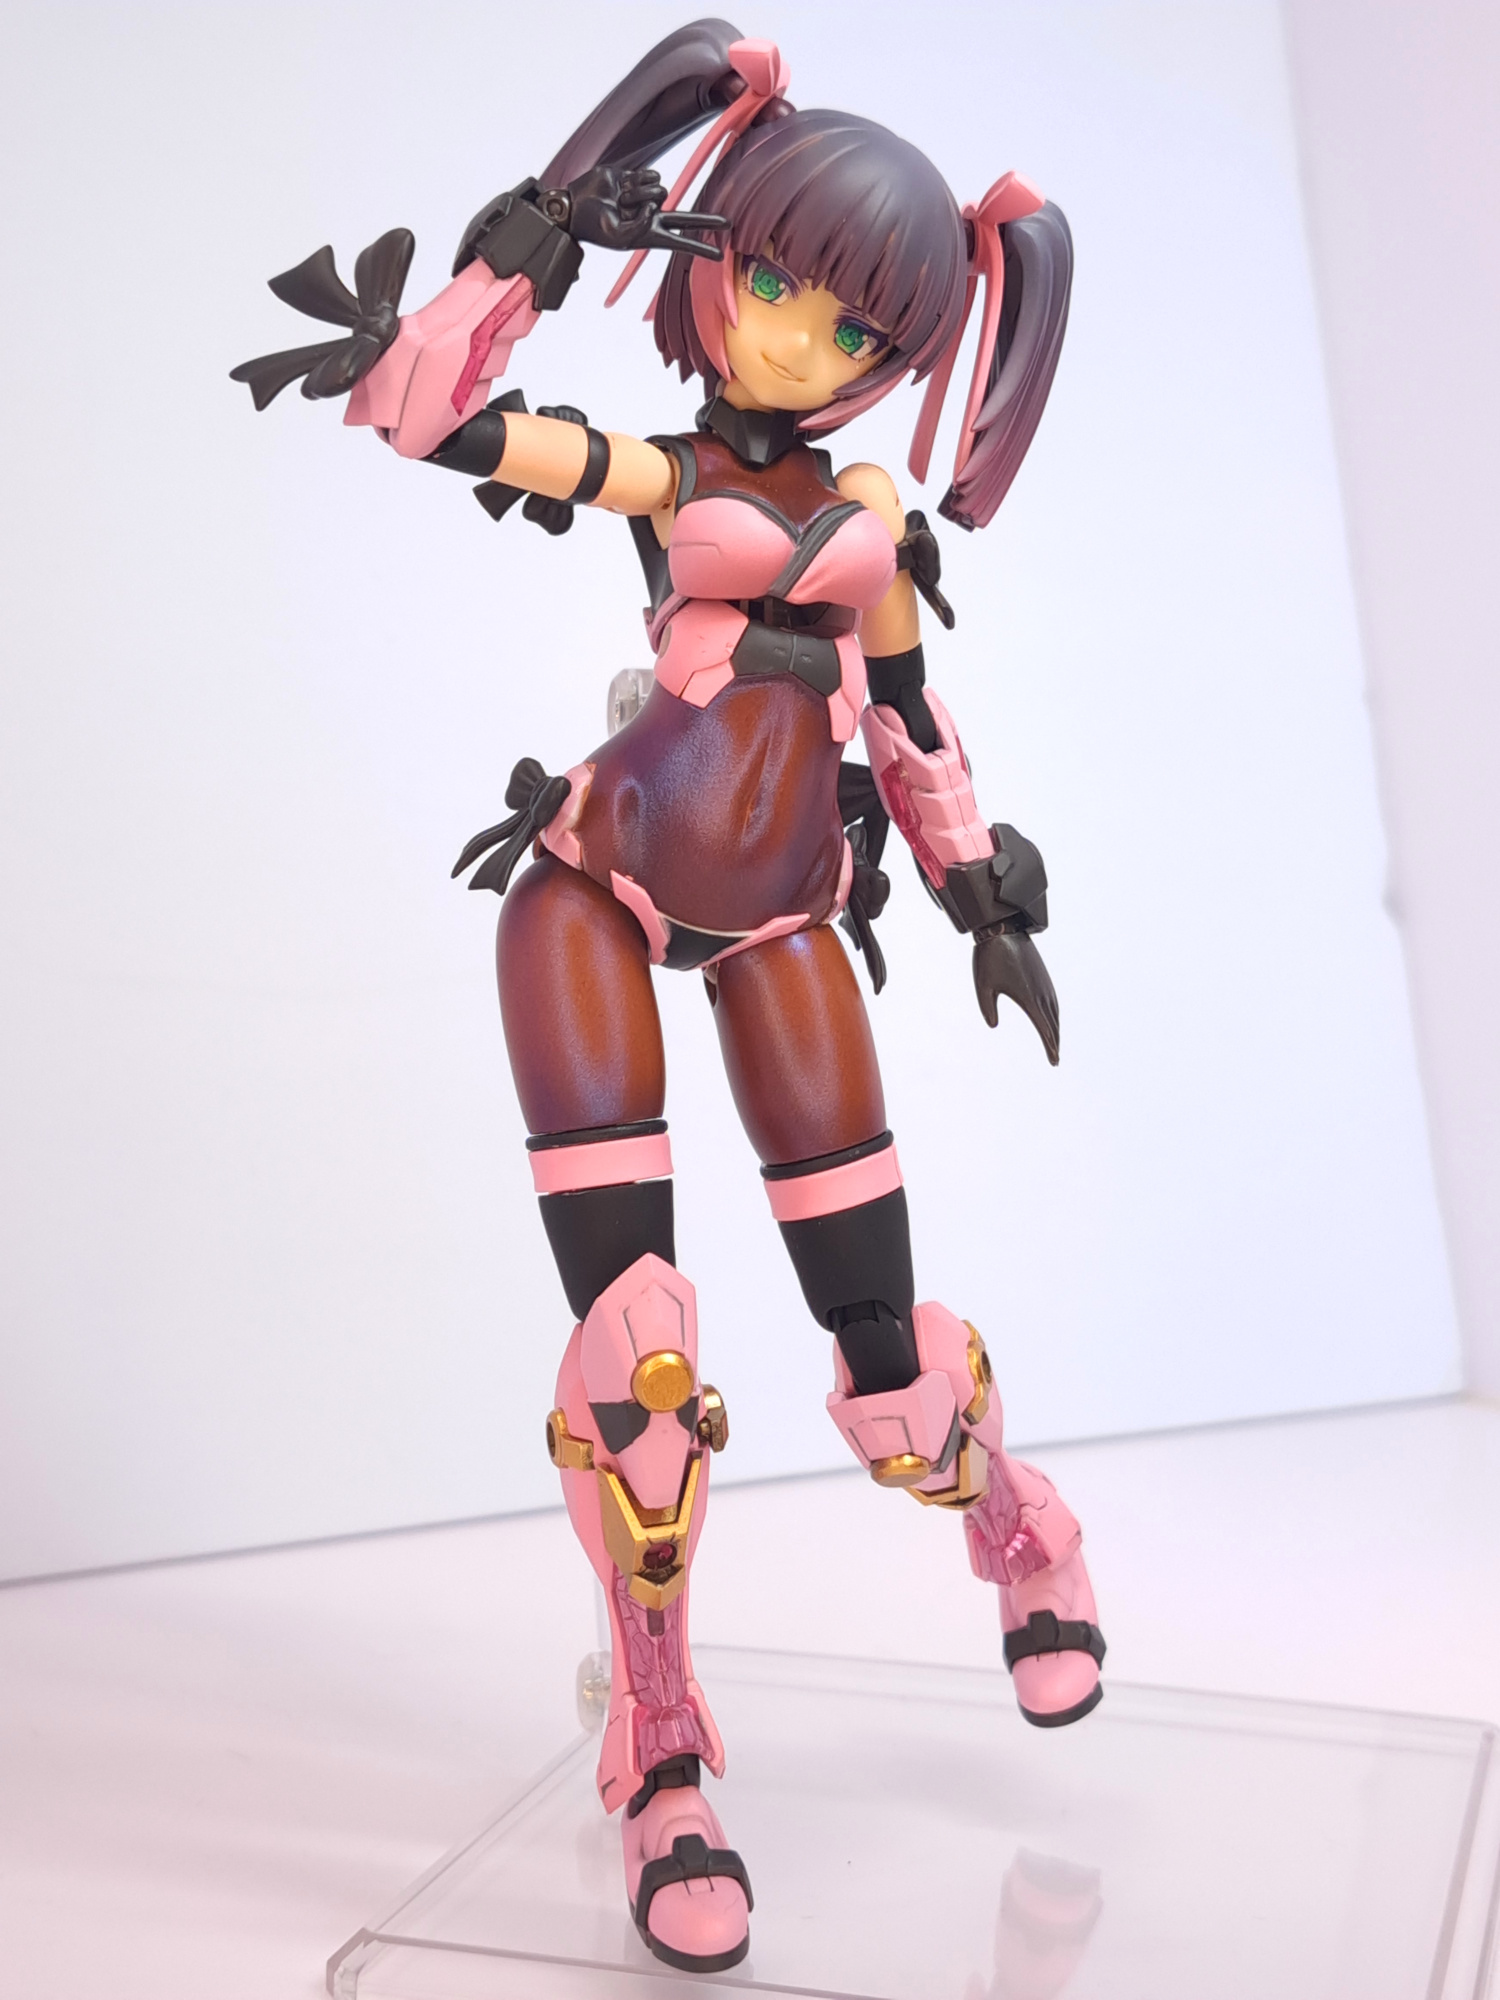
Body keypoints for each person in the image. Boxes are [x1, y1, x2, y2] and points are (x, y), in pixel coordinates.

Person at [233, 21, 1105, 1976]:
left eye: (854, 322)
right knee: (641, 1364)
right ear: (713, 258)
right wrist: (526, 245)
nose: (797, 335)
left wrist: (976, 885)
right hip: (597, 893)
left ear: (907, 351)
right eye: (772, 276)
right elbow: (426, 420)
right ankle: (663, 1743)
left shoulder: (873, 525)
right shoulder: (666, 467)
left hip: (787, 919)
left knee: (890, 1374)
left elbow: (911, 725)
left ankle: (1019, 1518)